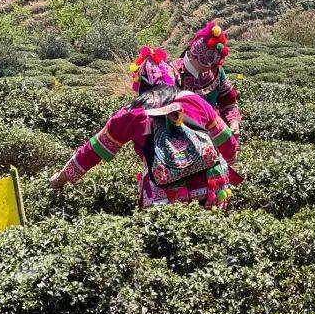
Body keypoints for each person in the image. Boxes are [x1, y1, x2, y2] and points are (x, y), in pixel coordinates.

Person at [49, 46, 239, 210]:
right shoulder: (194, 100)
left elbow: (94, 150)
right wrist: (228, 163)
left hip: (165, 196)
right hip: (212, 187)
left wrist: (62, 178)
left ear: (140, 84)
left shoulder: (132, 114)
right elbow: (227, 140)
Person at [170, 21, 242, 134]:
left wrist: (233, 120)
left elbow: (227, 100)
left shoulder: (216, 70)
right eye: (205, 65)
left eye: (213, 65)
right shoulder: (174, 72)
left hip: (213, 132)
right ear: (194, 56)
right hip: (182, 135)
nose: (209, 69)